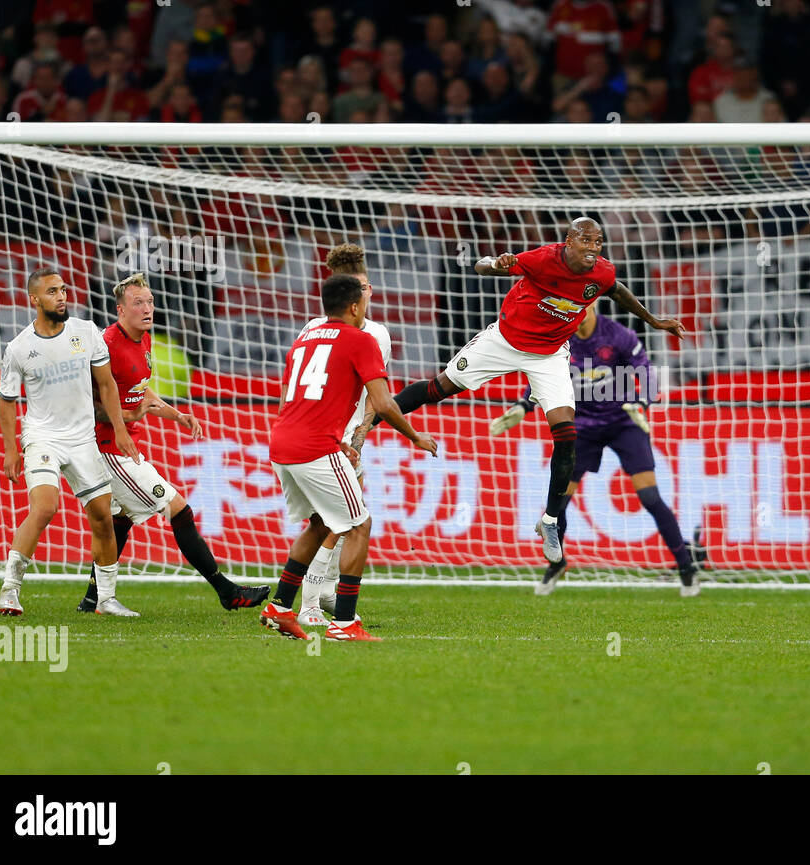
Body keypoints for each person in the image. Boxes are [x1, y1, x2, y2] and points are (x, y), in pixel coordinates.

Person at [367, 216, 686, 567]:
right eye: (586, 241)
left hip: (549, 356)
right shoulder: (542, 259)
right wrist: (496, 262)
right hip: (504, 341)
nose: (593, 249)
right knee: (438, 388)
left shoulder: (601, 273)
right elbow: (481, 265)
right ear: (569, 241)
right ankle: (365, 425)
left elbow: (617, 290)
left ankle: (549, 520)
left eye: (598, 243)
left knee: (566, 434)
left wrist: (653, 320)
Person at [74, 274, 270, 613]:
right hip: (106, 449)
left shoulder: (144, 340)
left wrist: (176, 415)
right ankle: (227, 591)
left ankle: (94, 598)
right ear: (120, 309)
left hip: (123, 445)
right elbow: (83, 403)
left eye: (149, 302)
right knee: (179, 510)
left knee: (121, 519)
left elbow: (140, 390)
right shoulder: (105, 346)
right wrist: (126, 419)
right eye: (138, 303)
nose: (147, 309)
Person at [259, 274, 437, 642]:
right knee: (358, 526)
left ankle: (279, 609)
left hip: (282, 441)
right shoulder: (362, 339)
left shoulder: (305, 337)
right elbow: (385, 403)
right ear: (355, 307)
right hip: (314, 447)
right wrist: (416, 436)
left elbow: (297, 397)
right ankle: (344, 623)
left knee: (320, 523)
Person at [489, 304, 706, 596]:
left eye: (580, 308)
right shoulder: (559, 339)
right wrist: (523, 405)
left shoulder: (618, 335)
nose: (575, 316)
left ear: (591, 306)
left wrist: (642, 403)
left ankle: (685, 567)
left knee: (649, 495)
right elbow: (542, 376)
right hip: (584, 426)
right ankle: (557, 563)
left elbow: (647, 372)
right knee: (559, 500)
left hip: (624, 420)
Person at [0, 266, 141, 617]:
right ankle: (9, 591)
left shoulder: (86, 332)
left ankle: (105, 600)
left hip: (82, 439)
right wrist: (11, 449)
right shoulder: (18, 348)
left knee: (104, 518)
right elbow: (7, 399)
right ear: (34, 299)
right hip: (43, 437)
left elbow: (106, 385)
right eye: (52, 292)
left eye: (62, 290)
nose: (61, 297)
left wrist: (120, 429)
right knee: (45, 507)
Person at [295, 244, 391, 629]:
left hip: (347, 437)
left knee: (345, 518)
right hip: (321, 439)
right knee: (339, 522)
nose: (366, 292)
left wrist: (361, 433)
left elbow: (375, 392)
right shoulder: (317, 329)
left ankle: (323, 594)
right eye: (359, 287)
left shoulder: (378, 335)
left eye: (367, 285)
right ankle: (309, 604)